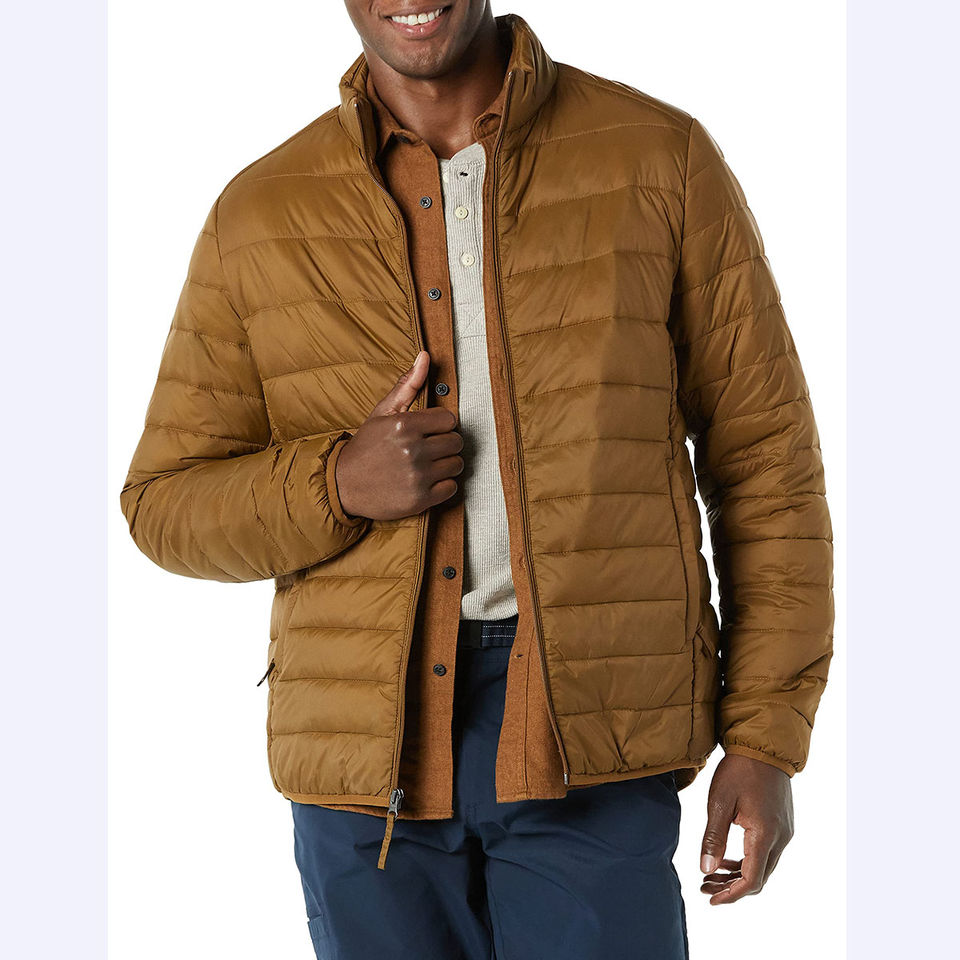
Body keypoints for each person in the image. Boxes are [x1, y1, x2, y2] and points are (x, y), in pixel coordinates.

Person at [119, 4, 834, 958]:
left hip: (591, 719)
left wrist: (765, 735)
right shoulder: (260, 211)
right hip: (364, 753)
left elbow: (766, 463)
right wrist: (336, 483)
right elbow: (163, 502)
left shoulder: (658, 158)